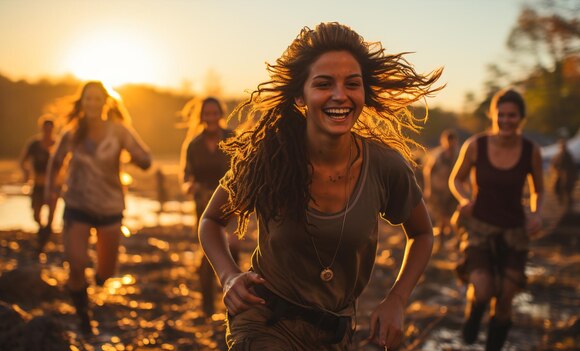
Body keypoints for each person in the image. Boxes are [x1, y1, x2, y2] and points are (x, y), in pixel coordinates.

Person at [199, 22, 442, 350]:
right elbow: (212, 221)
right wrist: (228, 275)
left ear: (363, 93)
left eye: (352, 84)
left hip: (336, 333)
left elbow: (423, 234)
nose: (340, 95)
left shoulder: (386, 166)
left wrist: (397, 299)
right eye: (324, 84)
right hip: (264, 321)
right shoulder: (270, 158)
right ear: (301, 94)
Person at [44, 81, 152, 334]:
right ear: (82, 103)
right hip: (77, 204)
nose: (92, 103)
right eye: (87, 99)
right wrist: (51, 190)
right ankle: (84, 317)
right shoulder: (72, 133)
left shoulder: (119, 131)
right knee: (77, 262)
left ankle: (97, 281)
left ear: (105, 102)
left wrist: (138, 159)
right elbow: (55, 161)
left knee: (105, 273)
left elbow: (145, 157)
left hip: (110, 207)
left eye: (96, 99)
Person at [449, 88, 543, 351]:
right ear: (493, 116)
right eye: (501, 115)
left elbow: (538, 189)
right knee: (482, 289)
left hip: (515, 231)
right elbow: (456, 179)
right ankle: (474, 313)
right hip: (479, 227)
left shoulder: (530, 151)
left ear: (521, 118)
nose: (506, 120)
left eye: (512, 116)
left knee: (505, 298)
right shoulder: (475, 146)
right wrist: (465, 198)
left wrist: (536, 214)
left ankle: (494, 345)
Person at [180, 96, 240, 317]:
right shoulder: (193, 145)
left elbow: (244, 168)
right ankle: (207, 305)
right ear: (202, 117)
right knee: (208, 252)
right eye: (207, 114)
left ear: (220, 115)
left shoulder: (232, 138)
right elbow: (186, 176)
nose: (211, 118)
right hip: (204, 206)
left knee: (232, 247)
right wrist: (190, 186)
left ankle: (234, 302)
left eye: (215, 113)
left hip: (232, 203)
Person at [19, 115, 59, 251]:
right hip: (38, 183)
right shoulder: (34, 144)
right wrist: (26, 174)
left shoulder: (58, 144)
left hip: (54, 185)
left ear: (53, 129)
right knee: (36, 212)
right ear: (42, 129)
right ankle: (41, 229)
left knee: (52, 213)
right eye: (45, 129)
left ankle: (46, 234)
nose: (48, 132)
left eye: (50, 129)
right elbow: (22, 160)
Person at [423, 129, 459, 250]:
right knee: (441, 216)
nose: (450, 143)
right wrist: (428, 188)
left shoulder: (458, 155)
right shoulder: (437, 155)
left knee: (451, 216)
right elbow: (428, 172)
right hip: (438, 190)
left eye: (452, 141)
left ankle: (449, 239)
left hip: (452, 191)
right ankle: (441, 241)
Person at [550, 137, 579, 211]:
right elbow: (554, 165)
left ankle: (568, 207)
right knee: (558, 190)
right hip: (560, 176)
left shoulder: (567, 155)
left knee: (567, 191)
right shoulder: (559, 155)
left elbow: (571, 167)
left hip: (567, 177)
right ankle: (565, 205)